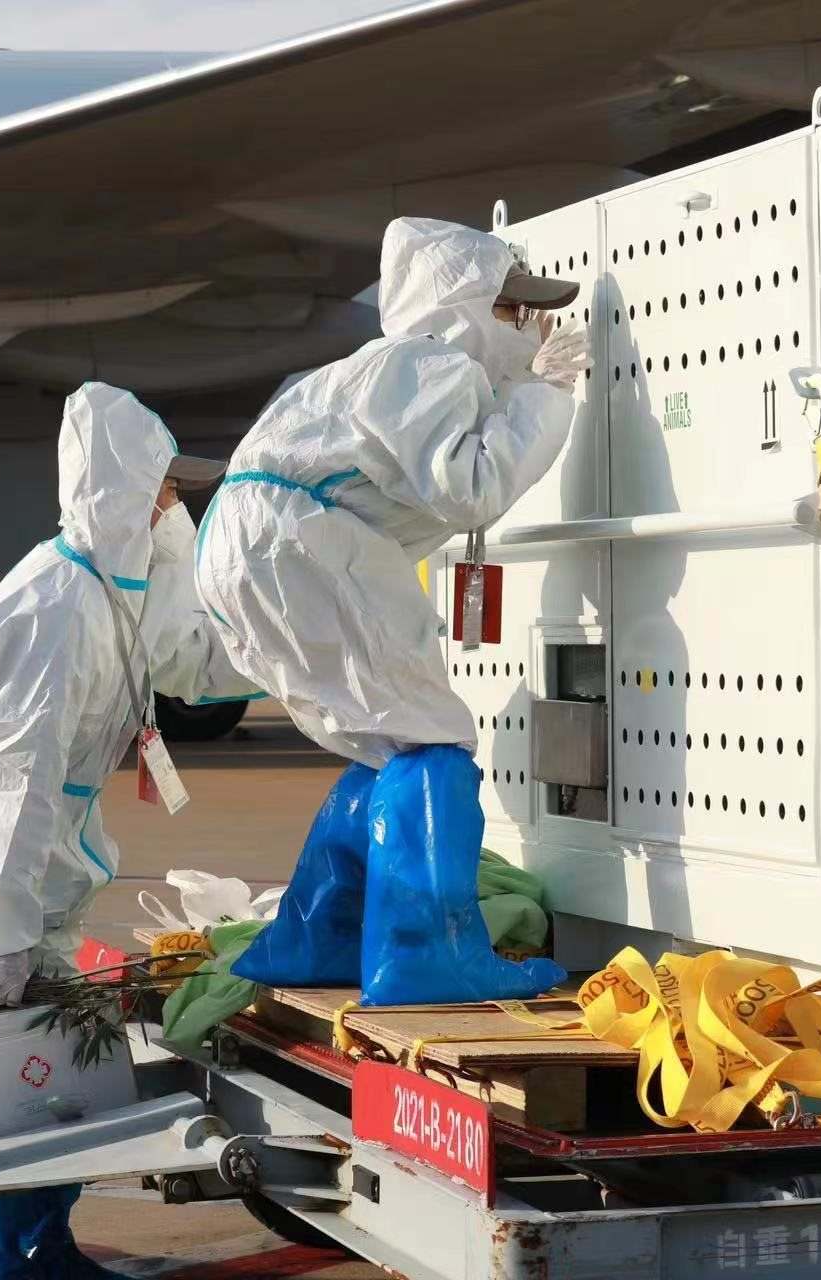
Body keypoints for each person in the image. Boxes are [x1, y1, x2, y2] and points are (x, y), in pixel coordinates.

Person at [0, 382, 253, 1280]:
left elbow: (195, 661)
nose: (175, 505)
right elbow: (14, 788)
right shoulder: (55, 609)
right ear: (121, 490)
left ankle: (42, 1247)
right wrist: (1, 944)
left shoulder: (118, 594)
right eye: (164, 487)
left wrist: (300, 642)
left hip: (30, 851)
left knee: (58, 1063)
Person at [195, 216, 588, 1006]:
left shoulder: (377, 369)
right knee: (434, 739)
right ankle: (425, 954)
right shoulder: (427, 362)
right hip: (302, 544)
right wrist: (543, 395)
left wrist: (515, 388)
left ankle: (317, 936)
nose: (524, 326)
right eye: (510, 309)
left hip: (256, 545)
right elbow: (470, 487)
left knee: (388, 741)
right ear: (460, 305)